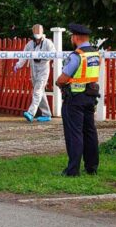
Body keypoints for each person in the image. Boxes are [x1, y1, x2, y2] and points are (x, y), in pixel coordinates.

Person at [55, 23, 101, 176]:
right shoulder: (95, 53)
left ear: (75, 37)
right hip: (90, 97)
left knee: (74, 134)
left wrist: (58, 83)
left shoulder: (77, 55)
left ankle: (72, 170)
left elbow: (64, 78)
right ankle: (91, 167)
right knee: (90, 132)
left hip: (75, 99)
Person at [13, 24, 55, 122]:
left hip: (43, 69)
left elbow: (53, 54)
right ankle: (47, 114)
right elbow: (24, 56)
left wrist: (42, 57)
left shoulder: (48, 43)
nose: (37, 39)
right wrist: (18, 65)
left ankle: (31, 113)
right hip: (33, 69)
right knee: (40, 92)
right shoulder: (30, 44)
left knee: (37, 91)